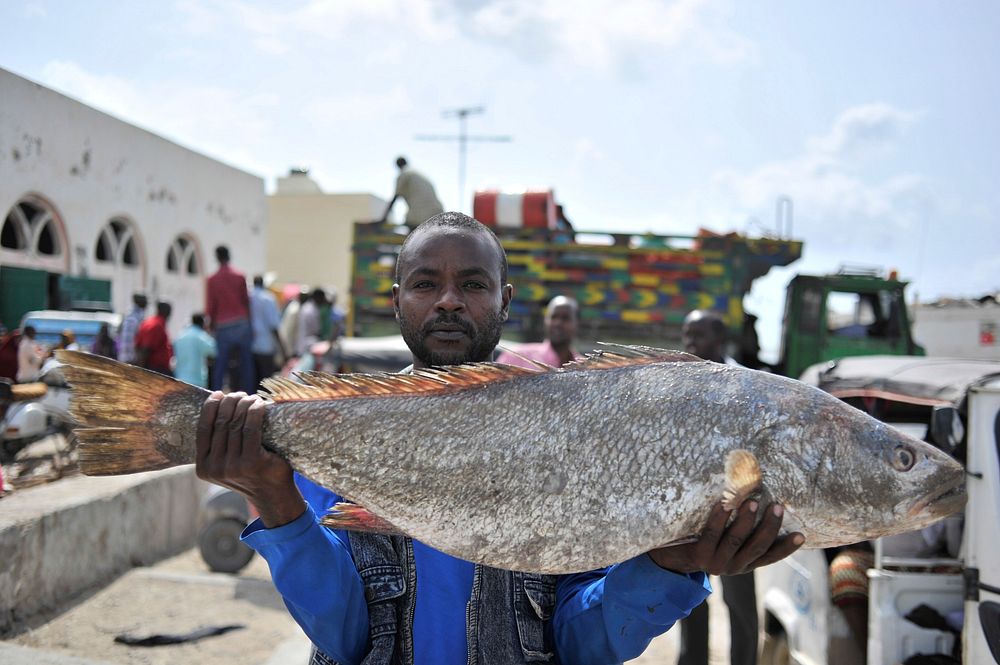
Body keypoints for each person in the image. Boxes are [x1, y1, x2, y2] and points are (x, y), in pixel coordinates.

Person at [195, 212, 803, 664]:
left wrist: (670, 565)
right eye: (426, 284)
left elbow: (578, 641)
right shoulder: (345, 431)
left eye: (475, 285)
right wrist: (276, 501)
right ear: (398, 300)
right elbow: (347, 638)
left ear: (505, 301)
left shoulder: (569, 432)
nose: (450, 301)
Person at [678, 309, 757, 665]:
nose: (690, 343)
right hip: (692, 513)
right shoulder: (679, 384)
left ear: (720, 339)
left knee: (740, 604)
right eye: (687, 334)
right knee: (690, 599)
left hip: (739, 514)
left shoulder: (747, 384)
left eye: (699, 335)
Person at [206, 245, 254, 393]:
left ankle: (216, 395)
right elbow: (245, 301)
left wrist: (211, 326)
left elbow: (211, 305)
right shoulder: (239, 276)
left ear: (217, 258)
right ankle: (250, 395)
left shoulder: (212, 280)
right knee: (246, 362)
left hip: (223, 324)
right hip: (241, 323)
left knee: (221, 364)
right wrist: (249, 323)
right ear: (229, 256)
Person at [496, 295, 582, 368]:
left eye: (565, 318)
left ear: (577, 323)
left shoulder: (585, 369)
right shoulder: (516, 357)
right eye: (553, 317)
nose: (557, 323)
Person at [377, 156, 444, 225]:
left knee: (411, 231)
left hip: (422, 216)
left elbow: (396, 197)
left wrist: (384, 218)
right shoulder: (417, 173)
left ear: (397, 166)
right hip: (438, 213)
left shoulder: (403, 175)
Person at [250, 276, 286, 386]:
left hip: (250, 345)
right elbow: (273, 325)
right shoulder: (268, 298)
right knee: (266, 381)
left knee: (253, 381)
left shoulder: (248, 297)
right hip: (265, 345)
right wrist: (282, 348)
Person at [173, 313, 217, 388]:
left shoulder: (180, 336)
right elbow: (214, 350)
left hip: (180, 377)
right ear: (202, 322)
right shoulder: (201, 336)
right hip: (196, 380)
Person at [134, 301, 173, 376]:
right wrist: (140, 372)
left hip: (155, 369)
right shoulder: (156, 325)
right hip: (154, 370)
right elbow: (146, 349)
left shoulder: (151, 322)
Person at [118, 293, 148, 364]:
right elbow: (129, 341)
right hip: (130, 360)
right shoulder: (134, 318)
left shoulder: (131, 315)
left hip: (126, 359)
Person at [295, 288, 325, 358]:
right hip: (308, 346)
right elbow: (316, 330)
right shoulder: (311, 310)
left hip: (303, 345)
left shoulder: (307, 307)